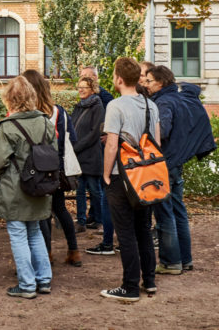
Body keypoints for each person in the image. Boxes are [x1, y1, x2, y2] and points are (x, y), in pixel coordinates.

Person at [145, 65, 214, 274]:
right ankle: (185, 259)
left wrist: (145, 135)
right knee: (178, 211)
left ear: (161, 82)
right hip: (176, 163)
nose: (146, 85)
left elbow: (163, 131)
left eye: (149, 81)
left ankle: (170, 262)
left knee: (165, 213)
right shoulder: (178, 99)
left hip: (165, 164)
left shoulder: (164, 102)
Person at [99, 57, 159, 302]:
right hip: (146, 175)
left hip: (122, 175)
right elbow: (157, 143)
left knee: (125, 233)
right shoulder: (150, 105)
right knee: (143, 229)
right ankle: (150, 281)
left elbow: (112, 144)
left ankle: (130, 287)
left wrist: (105, 173)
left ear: (119, 78)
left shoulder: (116, 106)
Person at [0, 75, 54, 299]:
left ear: (10, 99)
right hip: (39, 187)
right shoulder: (46, 122)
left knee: (18, 234)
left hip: (14, 189)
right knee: (35, 231)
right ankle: (43, 279)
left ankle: (27, 284)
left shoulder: (8, 127)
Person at [22, 69, 80, 267]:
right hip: (58, 168)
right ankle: (74, 250)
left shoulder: (29, 115)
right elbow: (73, 138)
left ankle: (46, 254)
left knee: (43, 213)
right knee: (60, 209)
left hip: (38, 169)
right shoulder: (59, 111)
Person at [71, 76, 105, 233]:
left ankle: (99, 220)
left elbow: (94, 133)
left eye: (84, 87)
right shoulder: (78, 107)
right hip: (78, 157)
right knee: (80, 190)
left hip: (91, 155)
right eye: (79, 87)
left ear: (92, 89)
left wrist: (77, 147)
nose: (81, 90)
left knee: (95, 190)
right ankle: (81, 222)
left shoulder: (97, 106)